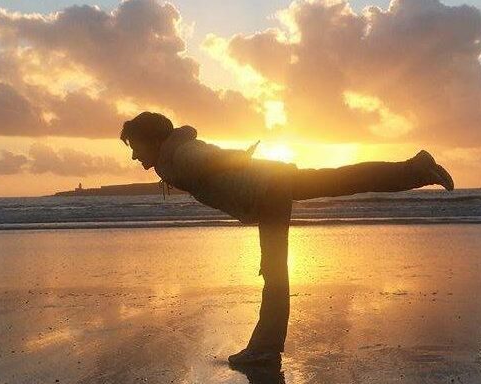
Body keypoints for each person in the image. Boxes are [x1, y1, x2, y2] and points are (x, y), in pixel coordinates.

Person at [121, 112, 454, 366]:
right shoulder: (175, 154)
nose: (135, 156)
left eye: (135, 147)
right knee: (342, 179)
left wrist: (238, 156)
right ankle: (415, 168)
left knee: (275, 269)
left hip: (268, 190)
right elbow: (208, 159)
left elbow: (207, 158)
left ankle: (265, 348)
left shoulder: (180, 155)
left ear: (151, 140)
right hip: (271, 184)